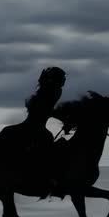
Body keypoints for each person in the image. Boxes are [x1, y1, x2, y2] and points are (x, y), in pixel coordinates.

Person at [18, 66, 65, 197]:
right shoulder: (53, 91)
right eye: (62, 78)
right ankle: (48, 179)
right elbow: (47, 110)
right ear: (56, 79)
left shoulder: (48, 90)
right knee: (48, 140)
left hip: (33, 124)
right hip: (36, 126)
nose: (64, 81)